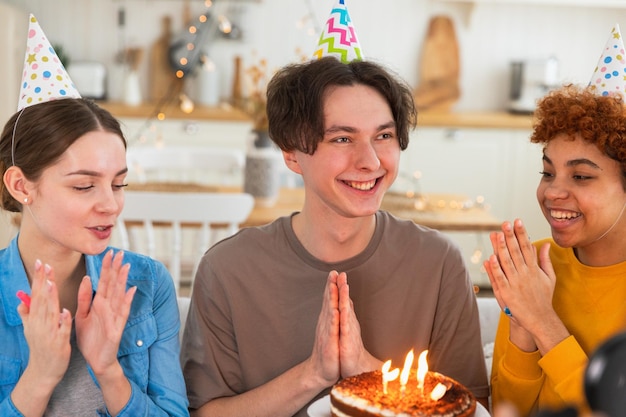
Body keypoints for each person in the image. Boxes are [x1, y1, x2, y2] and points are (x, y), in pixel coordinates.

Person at [181, 55, 489, 417]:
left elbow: (471, 409)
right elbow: (204, 413)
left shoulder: (438, 264)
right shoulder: (227, 270)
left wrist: (364, 369)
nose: (371, 161)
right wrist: (312, 375)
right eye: (343, 138)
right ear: (292, 154)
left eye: (384, 136)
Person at [0, 97, 190, 416]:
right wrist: (40, 376)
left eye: (118, 184)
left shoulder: (148, 283)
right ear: (21, 186)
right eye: (84, 186)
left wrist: (108, 371)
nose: (111, 205)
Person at [485, 83, 626, 416]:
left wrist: (543, 321)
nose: (553, 192)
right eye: (547, 173)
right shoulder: (534, 265)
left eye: (580, 176)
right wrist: (522, 324)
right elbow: (505, 408)